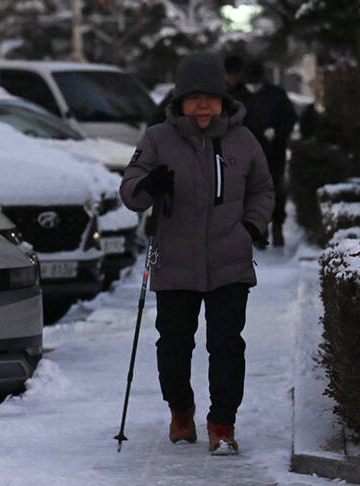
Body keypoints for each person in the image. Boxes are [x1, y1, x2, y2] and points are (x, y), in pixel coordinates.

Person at [120, 52, 274, 455]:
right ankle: (181, 411)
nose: (202, 104)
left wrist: (252, 227)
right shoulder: (158, 138)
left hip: (229, 260)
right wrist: (148, 185)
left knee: (226, 345)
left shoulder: (243, 139)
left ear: (224, 98)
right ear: (179, 100)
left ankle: (222, 424)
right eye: (193, 97)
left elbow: (263, 188)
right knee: (173, 344)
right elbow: (130, 190)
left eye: (211, 96)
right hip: (174, 260)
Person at [242, 60, 297, 247]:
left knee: (275, 190)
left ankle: (277, 226)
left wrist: (278, 133)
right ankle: (259, 227)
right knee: (252, 192)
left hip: (273, 152)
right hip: (249, 155)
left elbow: (290, 117)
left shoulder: (276, 95)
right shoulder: (242, 96)